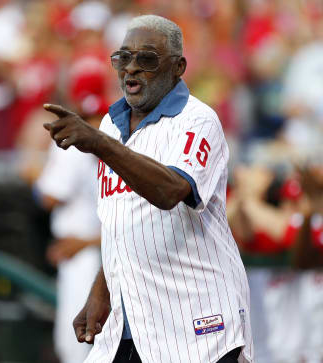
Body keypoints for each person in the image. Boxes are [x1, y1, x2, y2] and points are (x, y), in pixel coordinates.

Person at [43, 15, 254, 363]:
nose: (131, 69)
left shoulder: (198, 120)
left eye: (147, 59)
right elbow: (122, 223)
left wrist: (97, 142)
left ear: (178, 66)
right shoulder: (112, 124)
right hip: (134, 321)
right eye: (123, 58)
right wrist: (102, 289)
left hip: (199, 325)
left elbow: (169, 191)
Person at [35, 107, 102, 363]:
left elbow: (50, 197)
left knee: (78, 344)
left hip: (86, 252)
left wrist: (33, 175)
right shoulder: (114, 141)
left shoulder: (75, 144)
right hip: (93, 247)